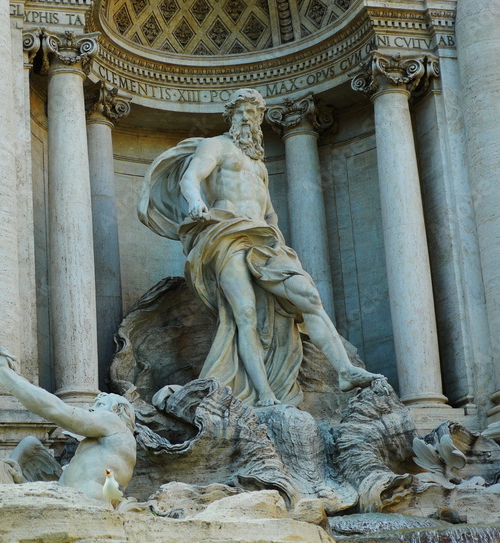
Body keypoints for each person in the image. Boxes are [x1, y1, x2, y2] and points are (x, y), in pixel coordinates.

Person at [138, 88, 378, 407]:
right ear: (232, 116)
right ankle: (264, 394)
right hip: (226, 233)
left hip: (264, 239)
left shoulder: (258, 165)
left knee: (308, 297)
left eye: (255, 114)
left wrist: (278, 240)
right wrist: (196, 203)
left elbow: (268, 212)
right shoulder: (217, 145)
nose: (249, 119)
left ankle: (345, 371)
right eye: (243, 113)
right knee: (245, 314)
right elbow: (190, 178)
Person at [0, 346, 136, 505]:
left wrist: (5, 375)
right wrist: (23, 481)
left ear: (117, 409)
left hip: (87, 509)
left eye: (98, 405)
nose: (90, 410)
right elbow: (64, 488)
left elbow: (55, 409)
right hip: (76, 507)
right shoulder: (99, 450)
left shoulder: (114, 422)